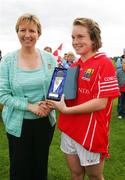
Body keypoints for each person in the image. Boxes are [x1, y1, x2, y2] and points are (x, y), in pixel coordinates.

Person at [47, 17, 120, 180]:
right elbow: (65, 96)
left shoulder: (104, 63)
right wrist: (50, 103)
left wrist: (66, 109)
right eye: (73, 37)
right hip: (69, 129)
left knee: (95, 176)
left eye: (80, 37)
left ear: (93, 39)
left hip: (91, 133)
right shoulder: (72, 66)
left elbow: (101, 102)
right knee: (76, 174)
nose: (75, 41)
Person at [0, 13, 56, 180]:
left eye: (32, 30)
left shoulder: (50, 59)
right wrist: (31, 106)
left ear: (39, 33)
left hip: (44, 123)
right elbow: (3, 95)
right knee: (19, 169)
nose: (27, 35)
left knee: (40, 168)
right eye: (22, 30)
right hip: (18, 124)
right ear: (17, 32)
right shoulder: (7, 61)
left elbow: (56, 90)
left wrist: (49, 105)